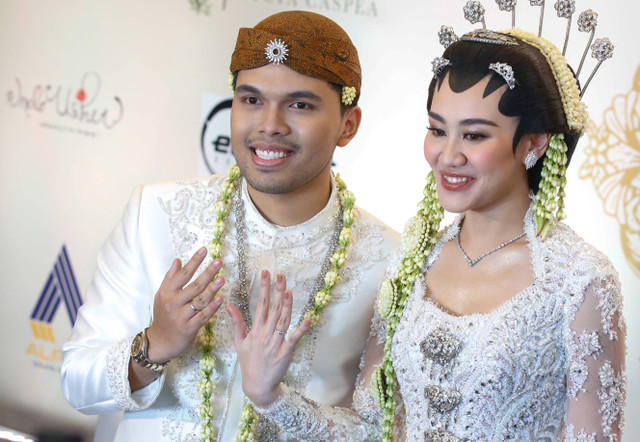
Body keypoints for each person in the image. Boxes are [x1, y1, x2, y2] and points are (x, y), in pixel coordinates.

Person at [229, 12, 627, 442]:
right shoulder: (411, 262)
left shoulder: (579, 280)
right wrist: (269, 395)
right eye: (438, 130)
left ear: (535, 143)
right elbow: (369, 428)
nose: (447, 155)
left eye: (474, 136)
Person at [60, 10, 399, 441]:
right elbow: (75, 381)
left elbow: (380, 430)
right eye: (251, 100)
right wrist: (156, 345)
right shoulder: (156, 214)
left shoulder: (389, 261)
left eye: (300, 105)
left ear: (347, 126)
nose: (269, 125)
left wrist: (275, 398)